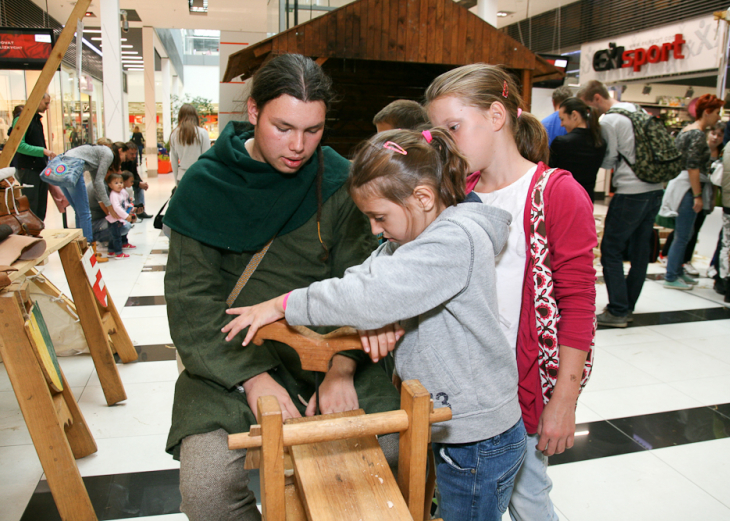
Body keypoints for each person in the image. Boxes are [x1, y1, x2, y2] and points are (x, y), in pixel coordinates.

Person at [223, 127, 525, 521]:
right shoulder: (412, 238)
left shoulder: (455, 239)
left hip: (478, 436)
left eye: (379, 217)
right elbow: (367, 277)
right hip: (458, 426)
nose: (374, 229)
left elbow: (370, 294)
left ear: (422, 197)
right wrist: (379, 316)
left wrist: (284, 305)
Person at [162, 53, 401, 521]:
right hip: (231, 355)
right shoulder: (204, 186)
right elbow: (191, 300)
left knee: (391, 447)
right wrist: (253, 378)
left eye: (313, 131)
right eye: (283, 127)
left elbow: (361, 282)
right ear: (253, 112)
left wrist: (341, 369)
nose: (299, 146)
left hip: (328, 347)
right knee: (207, 489)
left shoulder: (336, 180)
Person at [426, 64, 596, 521]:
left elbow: (578, 305)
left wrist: (563, 400)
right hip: (466, 386)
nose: (445, 142)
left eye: (453, 128)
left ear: (497, 115)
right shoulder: (460, 193)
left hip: (519, 387)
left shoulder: (555, 193)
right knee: (497, 493)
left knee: (526, 494)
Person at [578, 80, 663, 327]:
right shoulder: (636, 109)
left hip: (630, 191)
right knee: (639, 251)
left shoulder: (609, 120)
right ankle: (627, 306)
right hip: (655, 189)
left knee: (611, 250)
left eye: (587, 106)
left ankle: (617, 310)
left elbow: (609, 160)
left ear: (595, 98)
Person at [658, 94, 724, 290]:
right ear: (707, 112)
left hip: (682, 186)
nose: (718, 117)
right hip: (688, 189)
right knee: (683, 234)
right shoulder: (696, 134)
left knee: (685, 232)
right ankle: (671, 275)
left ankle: (676, 271)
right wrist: (697, 195)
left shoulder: (688, 131)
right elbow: (693, 167)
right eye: (717, 112)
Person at [63, 141, 134, 245]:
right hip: (73, 169)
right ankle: (89, 250)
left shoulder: (97, 156)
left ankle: (80, 248)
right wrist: (109, 206)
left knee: (79, 212)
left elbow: (96, 181)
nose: (125, 159)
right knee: (84, 213)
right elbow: (99, 181)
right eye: (125, 154)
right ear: (119, 151)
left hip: (63, 168)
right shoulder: (108, 154)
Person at [549, 97, 607, 201]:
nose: (561, 124)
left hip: (564, 199)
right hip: (587, 199)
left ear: (574, 115)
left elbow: (548, 173)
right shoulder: (600, 143)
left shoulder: (562, 143)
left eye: (562, 119)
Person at [14, 93, 55, 220]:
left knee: (41, 208)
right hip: (29, 169)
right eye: (46, 103)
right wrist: (43, 151)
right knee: (32, 207)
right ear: (37, 100)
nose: (47, 107)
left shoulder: (36, 120)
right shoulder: (22, 118)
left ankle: (39, 233)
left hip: (39, 168)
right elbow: (19, 146)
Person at [169, 104, 211, 185]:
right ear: (195, 116)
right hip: (198, 177)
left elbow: (174, 161)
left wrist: (176, 183)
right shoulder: (202, 133)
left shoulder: (174, 134)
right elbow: (207, 159)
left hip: (182, 178)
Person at [104, 172, 132, 259]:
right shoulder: (114, 195)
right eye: (116, 183)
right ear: (110, 185)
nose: (119, 185)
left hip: (117, 219)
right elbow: (117, 208)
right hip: (115, 220)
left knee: (113, 236)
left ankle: (111, 251)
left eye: (121, 182)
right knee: (116, 237)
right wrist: (126, 216)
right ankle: (118, 253)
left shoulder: (120, 193)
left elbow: (123, 204)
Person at [121, 142, 151, 218]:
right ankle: (132, 212)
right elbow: (123, 178)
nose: (134, 156)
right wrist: (138, 183)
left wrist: (141, 183)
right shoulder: (121, 162)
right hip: (122, 183)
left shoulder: (133, 160)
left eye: (135, 153)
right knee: (130, 189)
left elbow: (135, 173)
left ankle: (140, 211)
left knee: (139, 188)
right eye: (131, 154)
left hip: (129, 181)